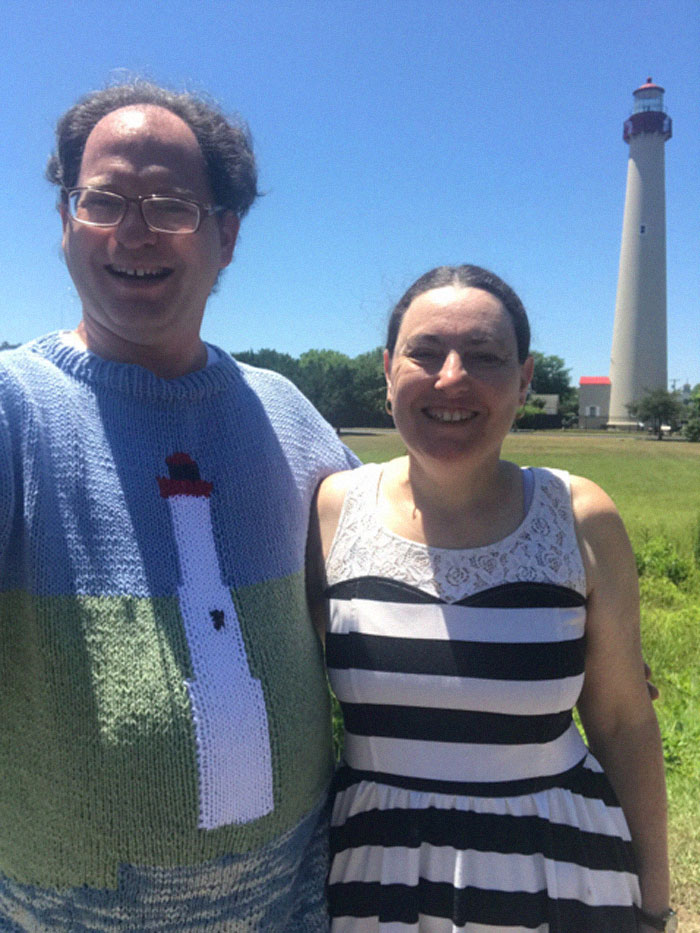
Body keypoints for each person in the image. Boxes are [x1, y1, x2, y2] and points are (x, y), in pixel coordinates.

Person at [0, 81, 357, 931]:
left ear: (226, 234)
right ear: (64, 219)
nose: (132, 229)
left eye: (169, 204)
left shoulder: (287, 412)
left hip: (295, 901)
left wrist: (577, 617)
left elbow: (399, 556)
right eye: (103, 201)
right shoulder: (15, 407)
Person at [309, 265, 674, 931]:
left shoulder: (578, 514)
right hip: (379, 880)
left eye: (485, 356)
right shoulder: (331, 512)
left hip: (558, 873)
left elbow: (623, 722)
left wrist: (654, 905)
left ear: (525, 380)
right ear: (388, 371)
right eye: (425, 352)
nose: (452, 376)